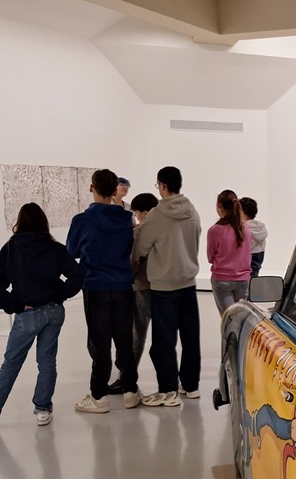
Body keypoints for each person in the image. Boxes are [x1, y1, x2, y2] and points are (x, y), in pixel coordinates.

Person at [0, 203, 84, 429]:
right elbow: (77, 275)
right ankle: (43, 409)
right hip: (54, 312)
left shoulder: (11, 249)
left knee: (11, 365)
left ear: (20, 222)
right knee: (47, 363)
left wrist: (16, 304)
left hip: (28, 315)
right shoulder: (54, 248)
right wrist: (59, 294)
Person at [66, 169, 141, 413]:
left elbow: (71, 251)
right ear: (115, 190)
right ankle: (130, 391)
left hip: (95, 284)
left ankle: (99, 396)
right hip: (122, 285)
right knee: (124, 339)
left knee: (99, 342)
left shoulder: (82, 220)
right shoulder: (126, 219)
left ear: (92, 188)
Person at [133, 166, 203, 406]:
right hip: (188, 283)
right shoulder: (192, 211)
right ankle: (191, 386)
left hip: (163, 286)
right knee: (190, 337)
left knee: (164, 340)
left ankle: (168, 390)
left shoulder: (157, 215)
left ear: (162, 185)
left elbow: (141, 247)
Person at [108, 192, 159, 395]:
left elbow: (134, 260)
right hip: (162, 286)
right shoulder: (166, 229)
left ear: (144, 213)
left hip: (141, 287)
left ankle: (126, 378)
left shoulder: (140, 232)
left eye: (136, 213)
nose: (135, 217)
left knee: (136, 334)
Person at [208, 189, 252, 316]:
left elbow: (210, 257)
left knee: (228, 320)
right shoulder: (245, 228)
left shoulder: (215, 230)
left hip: (222, 278)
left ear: (219, 205)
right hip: (243, 279)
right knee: (240, 319)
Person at [240, 197, 267, 277]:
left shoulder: (243, 229)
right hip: (258, 260)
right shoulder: (260, 228)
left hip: (245, 263)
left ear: (241, 212)